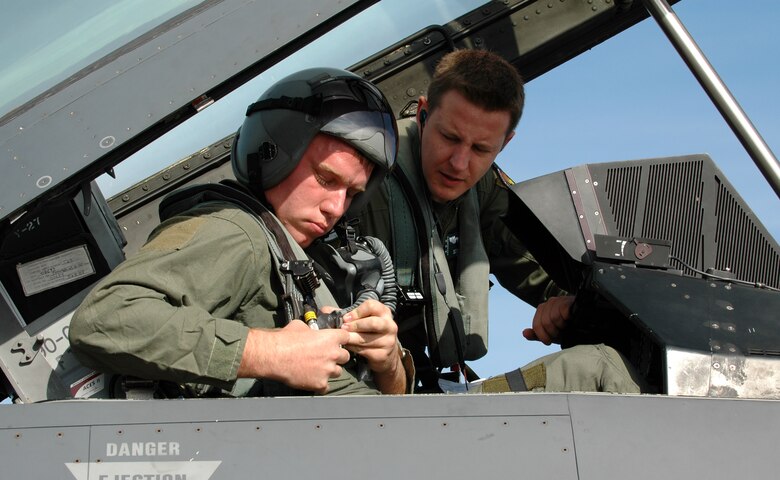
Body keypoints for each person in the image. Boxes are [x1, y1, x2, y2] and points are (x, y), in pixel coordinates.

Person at [69, 68, 412, 398]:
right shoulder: (236, 231)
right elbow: (107, 318)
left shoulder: (303, 254)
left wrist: (389, 363)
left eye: (351, 194)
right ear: (273, 152)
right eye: (325, 179)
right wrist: (270, 352)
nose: (336, 208)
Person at [356, 49, 646, 393]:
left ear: (505, 143)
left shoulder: (487, 194)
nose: (459, 164)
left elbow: (541, 270)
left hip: (421, 385)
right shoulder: (362, 178)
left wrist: (568, 305)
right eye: (449, 138)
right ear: (422, 114)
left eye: (481, 149)